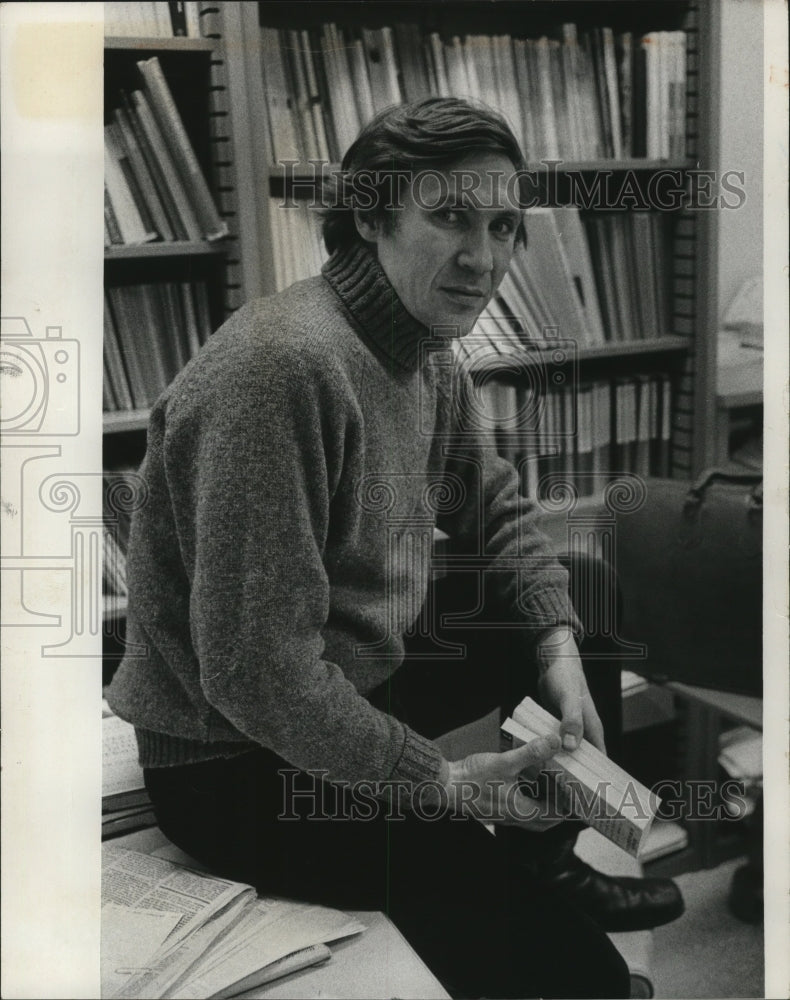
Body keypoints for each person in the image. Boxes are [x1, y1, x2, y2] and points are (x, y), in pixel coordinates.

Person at [107, 97, 681, 999]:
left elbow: (492, 504)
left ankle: (547, 858)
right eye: (449, 215)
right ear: (370, 214)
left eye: (502, 225)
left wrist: (557, 648)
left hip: (351, 669)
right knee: (580, 977)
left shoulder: (420, 344)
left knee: (575, 593)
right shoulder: (281, 368)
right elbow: (255, 672)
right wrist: (439, 779)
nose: (483, 259)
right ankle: (527, 892)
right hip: (235, 760)